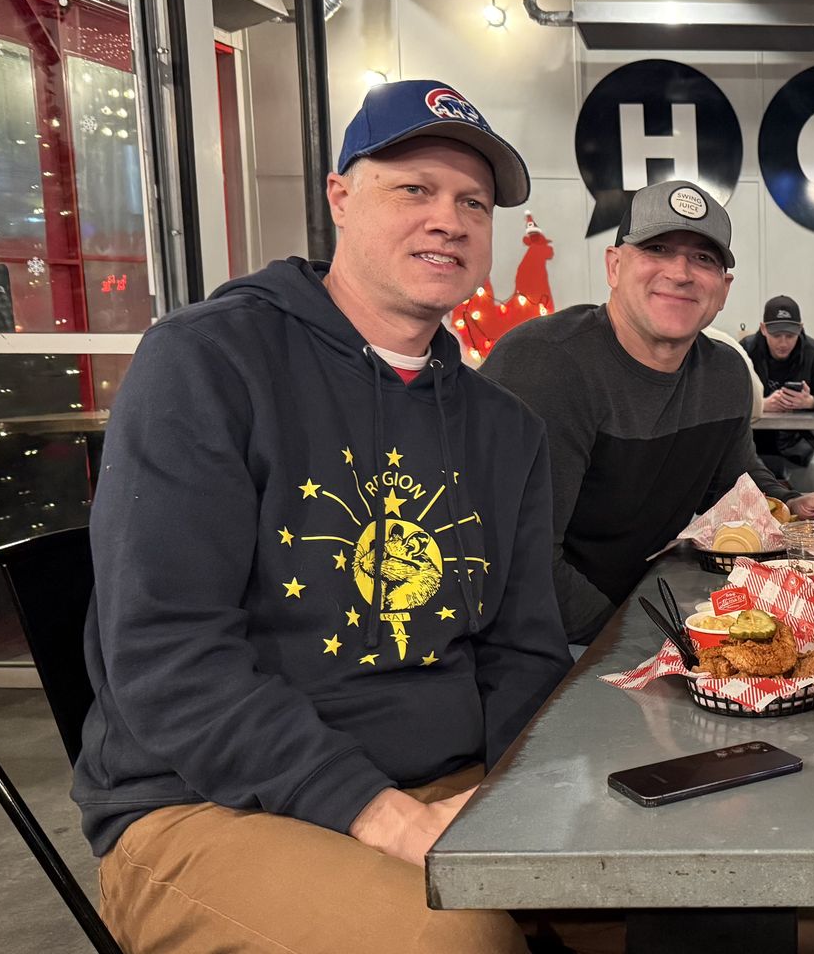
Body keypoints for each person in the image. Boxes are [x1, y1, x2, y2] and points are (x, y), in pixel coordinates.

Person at [72, 79, 571, 953]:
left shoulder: (505, 430)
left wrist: (511, 794)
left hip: (449, 785)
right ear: (341, 197)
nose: (447, 219)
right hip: (208, 804)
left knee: (730, 900)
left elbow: (523, 648)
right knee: (452, 945)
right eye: (413, 188)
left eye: (473, 202)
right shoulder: (207, 363)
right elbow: (168, 654)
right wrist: (379, 815)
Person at [481, 180, 814, 646]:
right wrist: (645, 643)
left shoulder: (725, 372)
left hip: (649, 605)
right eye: (657, 248)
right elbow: (520, 562)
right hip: (540, 641)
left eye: (704, 258)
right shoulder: (545, 364)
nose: (681, 272)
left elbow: (732, 480)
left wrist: (787, 503)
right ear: (614, 265)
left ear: (723, 289)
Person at [741, 294, 814, 492]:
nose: (783, 343)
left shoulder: (813, 351)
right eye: (776, 335)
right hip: (753, 448)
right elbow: (728, 400)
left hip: (802, 449)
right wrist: (761, 404)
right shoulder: (746, 350)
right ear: (763, 329)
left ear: (800, 329)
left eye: (790, 336)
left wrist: (810, 401)